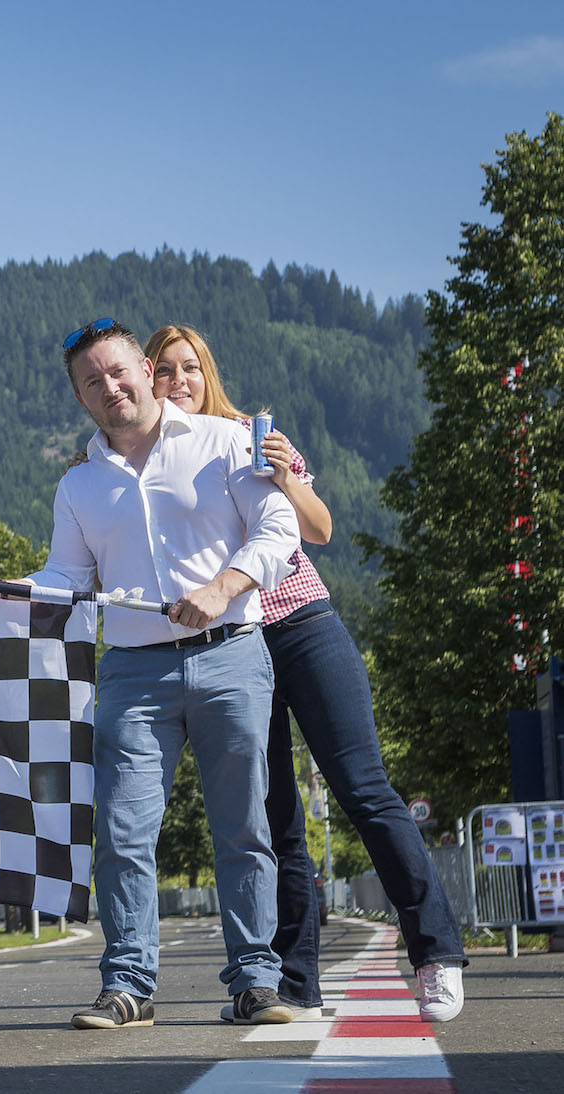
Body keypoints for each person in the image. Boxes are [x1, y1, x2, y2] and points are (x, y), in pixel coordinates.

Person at [0, 318, 301, 1029]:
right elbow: (66, 578)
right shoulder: (79, 484)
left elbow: (279, 529)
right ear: (81, 399)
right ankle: (128, 986)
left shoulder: (222, 441)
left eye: (118, 371)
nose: (109, 386)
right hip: (132, 674)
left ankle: (256, 983)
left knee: (243, 827)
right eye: (93, 381)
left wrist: (223, 588)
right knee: (122, 833)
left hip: (231, 654)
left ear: (146, 371)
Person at [146, 323, 466, 1023]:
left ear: (207, 373)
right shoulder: (148, 464)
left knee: (364, 788)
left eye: (189, 367)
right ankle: (294, 985)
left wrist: (287, 477)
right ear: (148, 380)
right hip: (234, 646)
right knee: (274, 819)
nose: (179, 381)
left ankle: (436, 954)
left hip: (303, 625)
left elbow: (319, 528)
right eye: (164, 370)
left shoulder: (252, 435)